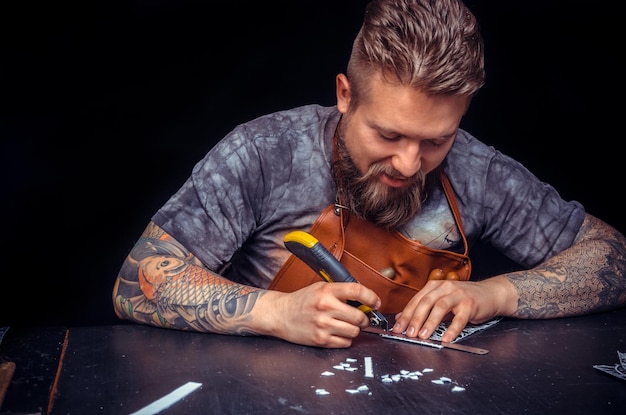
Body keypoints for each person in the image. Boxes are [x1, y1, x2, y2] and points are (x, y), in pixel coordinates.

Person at [112, 0, 626, 348]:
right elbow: (138, 278)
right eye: (388, 135)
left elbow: (614, 257)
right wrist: (275, 312)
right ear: (344, 95)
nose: (409, 163)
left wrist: (497, 295)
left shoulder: (478, 171)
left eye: (436, 141)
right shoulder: (265, 153)